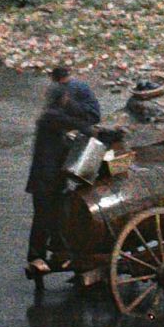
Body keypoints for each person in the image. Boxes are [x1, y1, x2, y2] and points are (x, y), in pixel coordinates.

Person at [24, 65, 103, 272]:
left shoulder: (54, 119)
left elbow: (78, 124)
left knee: (58, 216)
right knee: (42, 217)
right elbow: (81, 124)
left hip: (55, 178)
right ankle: (36, 257)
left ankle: (59, 252)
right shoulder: (50, 118)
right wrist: (100, 133)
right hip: (43, 180)